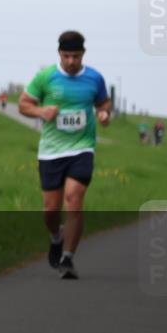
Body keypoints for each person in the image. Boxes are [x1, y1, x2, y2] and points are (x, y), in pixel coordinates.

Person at [18, 31, 111, 280]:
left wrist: (104, 114)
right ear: (59, 53)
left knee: (74, 198)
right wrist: (41, 111)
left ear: (83, 54)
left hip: (82, 148)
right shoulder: (46, 77)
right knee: (50, 211)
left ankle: (68, 258)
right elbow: (23, 104)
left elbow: (103, 102)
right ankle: (56, 237)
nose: (71, 61)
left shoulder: (94, 78)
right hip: (51, 151)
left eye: (76, 56)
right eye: (67, 56)